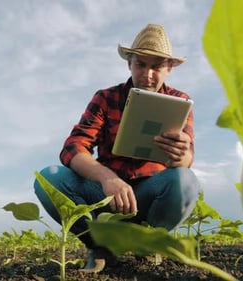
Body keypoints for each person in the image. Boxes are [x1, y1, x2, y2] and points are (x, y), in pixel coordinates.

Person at [33, 23, 200, 271]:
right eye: (140, 65)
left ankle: (150, 242)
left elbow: (186, 161)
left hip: (149, 195)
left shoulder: (180, 101)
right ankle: (100, 247)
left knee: (185, 180)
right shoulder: (105, 98)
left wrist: (181, 154)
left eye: (156, 67)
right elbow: (73, 147)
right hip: (105, 197)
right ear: (129, 64)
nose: (148, 74)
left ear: (169, 68)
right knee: (48, 179)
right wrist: (107, 178)